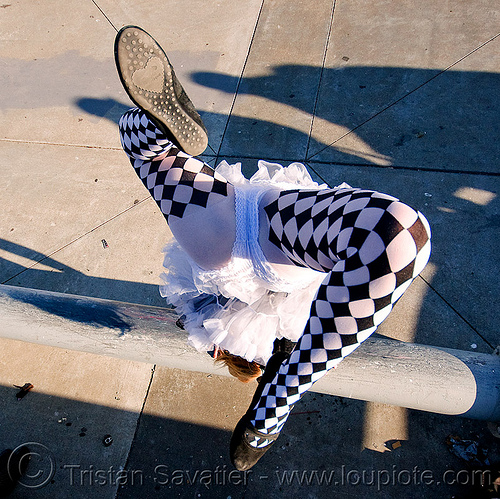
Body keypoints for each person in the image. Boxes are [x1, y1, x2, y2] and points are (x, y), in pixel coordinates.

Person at [114, 26, 431, 471]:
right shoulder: (225, 327)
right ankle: (147, 125)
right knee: (143, 146)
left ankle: (278, 400)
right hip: (220, 224)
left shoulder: (294, 323)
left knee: (400, 234)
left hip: (268, 232)